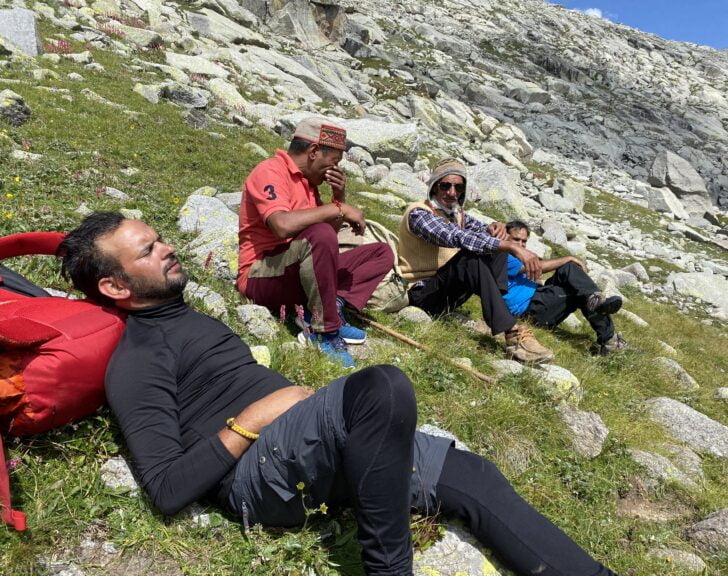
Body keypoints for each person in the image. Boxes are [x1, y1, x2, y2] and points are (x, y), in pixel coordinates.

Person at [59, 212, 619, 576]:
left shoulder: (182, 318)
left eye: (158, 238)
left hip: (309, 444)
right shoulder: (137, 359)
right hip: (260, 474)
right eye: (148, 251)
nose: (167, 248)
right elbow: (165, 486)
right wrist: (254, 416)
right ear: (115, 286)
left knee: (474, 477)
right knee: (383, 386)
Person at [238, 117, 393, 367]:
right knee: (319, 234)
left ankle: (331, 307)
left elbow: (326, 238)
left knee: (381, 253)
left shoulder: (310, 185)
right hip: (261, 276)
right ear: (313, 151)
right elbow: (282, 226)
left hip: (296, 269)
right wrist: (337, 208)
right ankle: (323, 331)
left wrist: (338, 198)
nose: (335, 170)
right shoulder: (270, 170)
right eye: (333, 162)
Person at [398, 158, 554, 363]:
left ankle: (500, 311)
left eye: (458, 187)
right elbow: (453, 236)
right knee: (474, 256)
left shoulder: (457, 214)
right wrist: (510, 246)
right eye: (445, 185)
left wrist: (495, 228)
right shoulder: (419, 213)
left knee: (494, 243)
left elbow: (483, 232)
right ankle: (512, 332)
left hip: (444, 293)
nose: (452, 193)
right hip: (420, 293)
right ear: (434, 186)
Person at [503, 220, 627, 355]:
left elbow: (533, 274)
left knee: (577, 283)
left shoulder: (519, 256)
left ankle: (596, 302)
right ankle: (610, 339)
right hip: (531, 310)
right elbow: (537, 267)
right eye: (516, 239)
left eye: (524, 241)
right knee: (576, 285)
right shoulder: (503, 256)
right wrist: (569, 258)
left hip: (538, 297)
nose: (521, 245)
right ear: (505, 237)